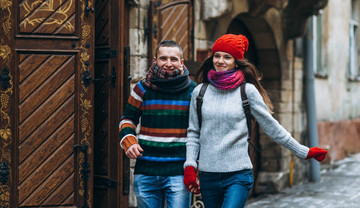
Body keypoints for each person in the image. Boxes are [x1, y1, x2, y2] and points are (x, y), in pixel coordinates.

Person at [183, 34, 328, 208]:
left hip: (237, 175)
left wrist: (303, 151)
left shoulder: (247, 91)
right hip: (208, 175)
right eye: (217, 56)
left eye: (227, 57)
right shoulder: (200, 92)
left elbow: (271, 126)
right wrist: (190, 166)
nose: (220, 61)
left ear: (236, 62)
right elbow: (193, 133)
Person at [119, 40, 196, 208]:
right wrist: (129, 142)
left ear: (181, 62)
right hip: (146, 170)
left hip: (178, 171)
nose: (168, 64)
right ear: (155, 61)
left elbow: (199, 131)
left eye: (173, 59)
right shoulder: (142, 88)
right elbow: (128, 120)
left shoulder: (193, 91)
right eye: (163, 58)